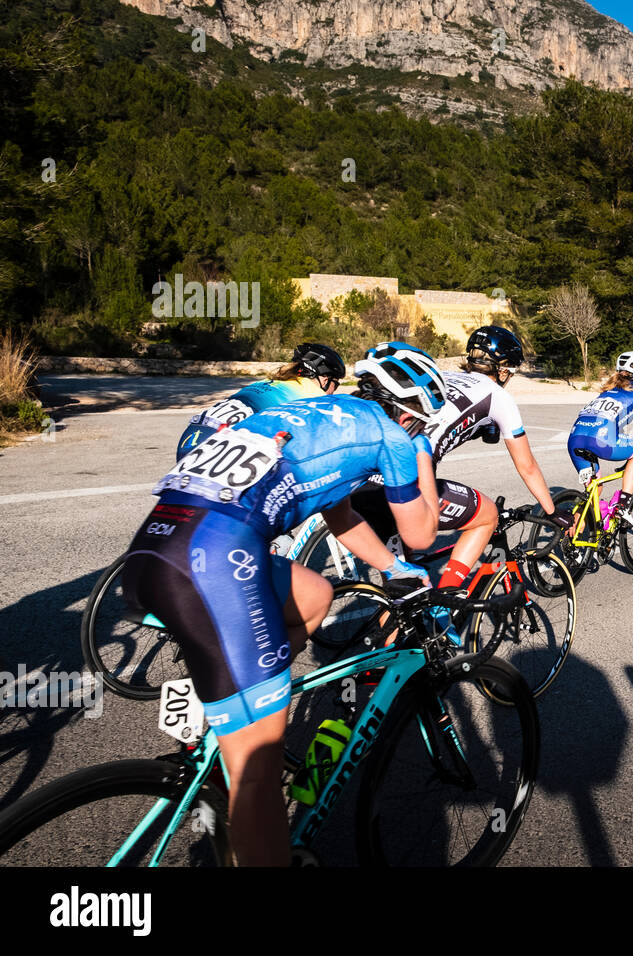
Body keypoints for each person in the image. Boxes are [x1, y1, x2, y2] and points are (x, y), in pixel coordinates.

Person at [121, 343, 447, 866]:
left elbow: (338, 513)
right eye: (419, 424)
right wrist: (420, 455)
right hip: (213, 564)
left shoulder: (306, 411)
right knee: (259, 774)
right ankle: (246, 755)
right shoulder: (394, 435)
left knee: (316, 595)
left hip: (153, 550)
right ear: (409, 413)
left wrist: (392, 569)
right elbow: (423, 534)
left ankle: (232, 707)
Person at [353, 326, 572, 597]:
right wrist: (550, 512)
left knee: (401, 592)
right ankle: (447, 598)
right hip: (404, 478)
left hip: (363, 476)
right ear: (503, 369)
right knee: (487, 515)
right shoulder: (498, 396)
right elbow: (526, 466)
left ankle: (394, 632)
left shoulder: (441, 376)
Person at [175, 343, 346, 459]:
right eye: (335, 385)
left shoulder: (267, 382)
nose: (333, 392)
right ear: (325, 379)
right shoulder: (314, 394)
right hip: (221, 447)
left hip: (192, 437)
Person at [567, 351, 633, 522]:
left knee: (594, 491)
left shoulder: (608, 389)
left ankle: (572, 533)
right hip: (601, 440)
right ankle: (623, 505)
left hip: (575, 438)